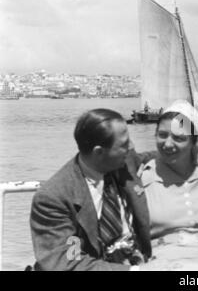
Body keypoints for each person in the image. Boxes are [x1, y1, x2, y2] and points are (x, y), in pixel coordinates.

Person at [30, 108, 152, 271]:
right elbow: (68, 263)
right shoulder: (54, 198)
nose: (131, 146)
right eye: (124, 144)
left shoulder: (124, 160)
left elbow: (160, 156)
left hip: (138, 259)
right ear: (99, 152)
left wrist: (195, 152)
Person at [138, 100, 198, 271]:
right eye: (162, 135)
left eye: (179, 138)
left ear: (194, 142)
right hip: (162, 262)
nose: (168, 144)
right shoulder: (143, 178)